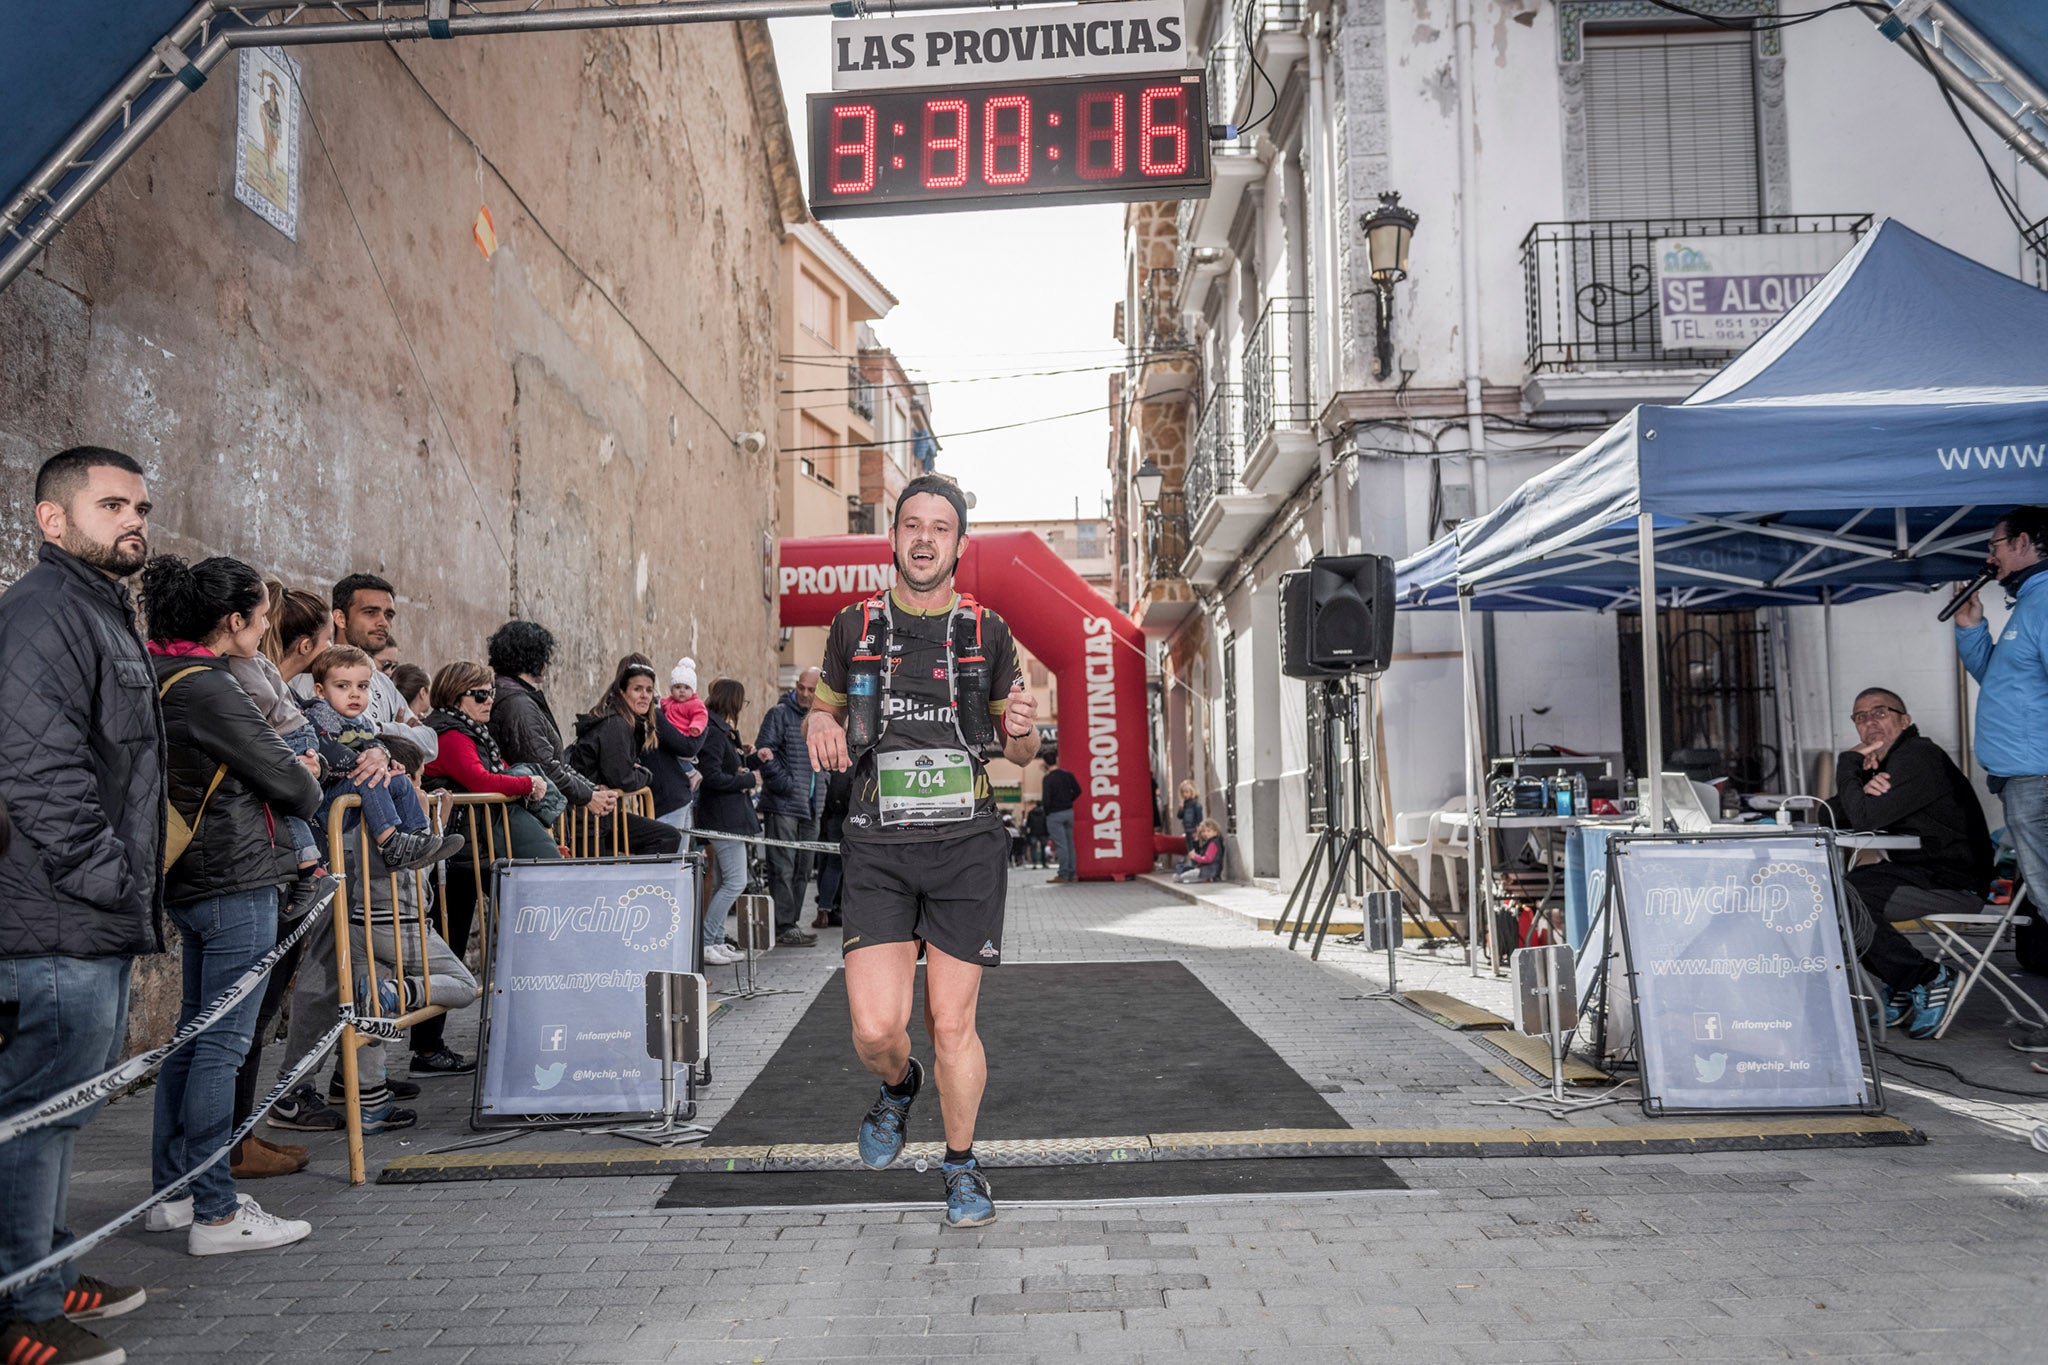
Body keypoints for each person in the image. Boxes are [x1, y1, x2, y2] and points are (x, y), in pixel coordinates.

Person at [806, 475, 1040, 1229]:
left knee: (951, 1021)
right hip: (877, 844)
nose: (926, 538)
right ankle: (899, 1086)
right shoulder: (853, 626)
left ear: (959, 544)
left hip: (965, 843)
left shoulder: (988, 631)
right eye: (913, 523)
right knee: (875, 1028)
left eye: (941, 527)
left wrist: (1027, 726)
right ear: (895, 536)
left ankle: (963, 1167)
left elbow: (1021, 751)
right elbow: (825, 704)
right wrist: (818, 722)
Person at [0, 447, 161, 1364]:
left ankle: (46, 1266)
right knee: (33, 1110)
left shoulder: (97, 610)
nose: (133, 517)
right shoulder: (45, 613)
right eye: (111, 503)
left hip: (85, 915)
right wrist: (111, 877)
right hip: (53, 915)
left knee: (58, 1110)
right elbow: (37, 773)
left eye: (138, 503)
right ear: (52, 520)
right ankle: (19, 1304)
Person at [139, 553, 323, 1259]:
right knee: (219, 1044)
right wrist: (304, 770)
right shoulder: (210, 687)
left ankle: (173, 1194)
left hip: (193, 876)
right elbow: (297, 785)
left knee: (191, 1038)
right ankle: (215, 1211)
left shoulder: (157, 672)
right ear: (233, 620)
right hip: (235, 877)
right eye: (261, 614)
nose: (268, 626)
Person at [413, 661, 565, 1076]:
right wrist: (525, 785)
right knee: (449, 950)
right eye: (479, 695)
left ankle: (455, 1039)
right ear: (455, 695)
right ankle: (427, 1049)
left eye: (490, 694)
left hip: (471, 852)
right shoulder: (451, 732)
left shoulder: (469, 731)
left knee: (467, 946)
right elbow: (479, 779)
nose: (488, 702)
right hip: (457, 856)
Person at [1952, 508, 2048, 1058]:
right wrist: (1971, 630)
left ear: (2026, 542)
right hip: (2022, 778)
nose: (1990, 556)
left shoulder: (2043, 600)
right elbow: (2007, 682)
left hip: (2039, 778)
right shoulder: (2027, 604)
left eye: (1996, 544)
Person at [303, 646, 463, 871]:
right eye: (342, 686)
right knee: (372, 776)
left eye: (363, 686)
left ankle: (416, 836)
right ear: (320, 690)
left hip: (349, 795)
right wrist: (372, 763)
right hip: (325, 805)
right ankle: (391, 845)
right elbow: (330, 751)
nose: (354, 693)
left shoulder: (362, 722)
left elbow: (373, 744)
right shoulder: (321, 713)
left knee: (399, 780)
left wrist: (386, 761)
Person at [292, 573, 437, 764]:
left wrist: (379, 729)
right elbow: (346, 751)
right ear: (340, 618)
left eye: (389, 615)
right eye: (370, 612)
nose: (383, 622)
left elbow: (430, 745)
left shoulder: (383, 682)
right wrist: (400, 731)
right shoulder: (314, 677)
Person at [695, 678, 781, 965]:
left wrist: (753, 759)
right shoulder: (715, 732)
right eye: (742, 702)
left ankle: (717, 940)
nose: (743, 707)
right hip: (723, 818)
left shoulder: (723, 730)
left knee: (723, 881)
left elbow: (729, 765)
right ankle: (708, 941)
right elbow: (713, 776)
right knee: (735, 881)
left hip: (729, 816)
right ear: (732, 701)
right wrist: (747, 778)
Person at [756, 667, 824, 947]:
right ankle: (784, 924)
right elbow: (764, 752)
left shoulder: (822, 719)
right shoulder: (779, 714)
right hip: (784, 803)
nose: (805, 694)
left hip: (812, 805)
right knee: (782, 866)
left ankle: (792, 922)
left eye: (811, 689)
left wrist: (825, 785)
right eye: (801, 687)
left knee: (803, 868)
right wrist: (785, 784)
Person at [647, 658, 707, 832]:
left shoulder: (695, 704)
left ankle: (692, 773)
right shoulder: (670, 702)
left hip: (684, 735)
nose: (681, 691)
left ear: (693, 690)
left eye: (686, 688)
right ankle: (690, 773)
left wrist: (696, 728)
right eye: (678, 687)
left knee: (682, 762)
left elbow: (700, 717)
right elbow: (661, 704)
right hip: (673, 739)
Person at [813, 766, 853, 929]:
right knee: (835, 866)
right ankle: (826, 909)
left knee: (829, 864)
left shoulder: (836, 766)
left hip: (830, 818)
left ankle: (826, 909)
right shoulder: (850, 766)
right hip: (843, 819)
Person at [1040, 750, 1081, 884]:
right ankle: (1072, 874)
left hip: (1055, 814)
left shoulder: (1048, 779)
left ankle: (1063, 874)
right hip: (1069, 812)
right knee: (1070, 844)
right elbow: (1078, 790)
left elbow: (1046, 800)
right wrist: (1069, 800)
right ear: (1056, 760)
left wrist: (1047, 812)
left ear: (1046, 763)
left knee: (1061, 845)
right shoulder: (1067, 775)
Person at [1176, 819, 1225, 883]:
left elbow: (1208, 859)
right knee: (1182, 868)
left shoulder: (1213, 843)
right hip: (1207, 870)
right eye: (1203, 831)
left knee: (1179, 877)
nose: (1206, 833)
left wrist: (1195, 857)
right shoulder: (1210, 842)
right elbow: (1201, 854)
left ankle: (1206, 878)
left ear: (1215, 832)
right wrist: (1196, 841)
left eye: (1208, 831)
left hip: (1209, 871)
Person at [1023, 800, 1049, 869]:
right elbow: (1046, 823)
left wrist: (1027, 833)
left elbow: (1028, 824)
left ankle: (1034, 863)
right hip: (1043, 832)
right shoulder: (1045, 813)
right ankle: (1044, 863)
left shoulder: (1030, 813)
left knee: (1033, 848)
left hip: (1033, 832)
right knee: (1043, 848)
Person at [1177, 779, 1203, 847]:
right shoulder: (1184, 804)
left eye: (1186, 792)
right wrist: (1181, 808)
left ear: (1192, 792)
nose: (1184, 794)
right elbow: (1179, 816)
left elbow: (1199, 818)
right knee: (1189, 847)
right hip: (1186, 829)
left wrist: (1198, 831)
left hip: (1193, 829)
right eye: (1182, 792)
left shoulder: (1195, 804)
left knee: (1194, 847)